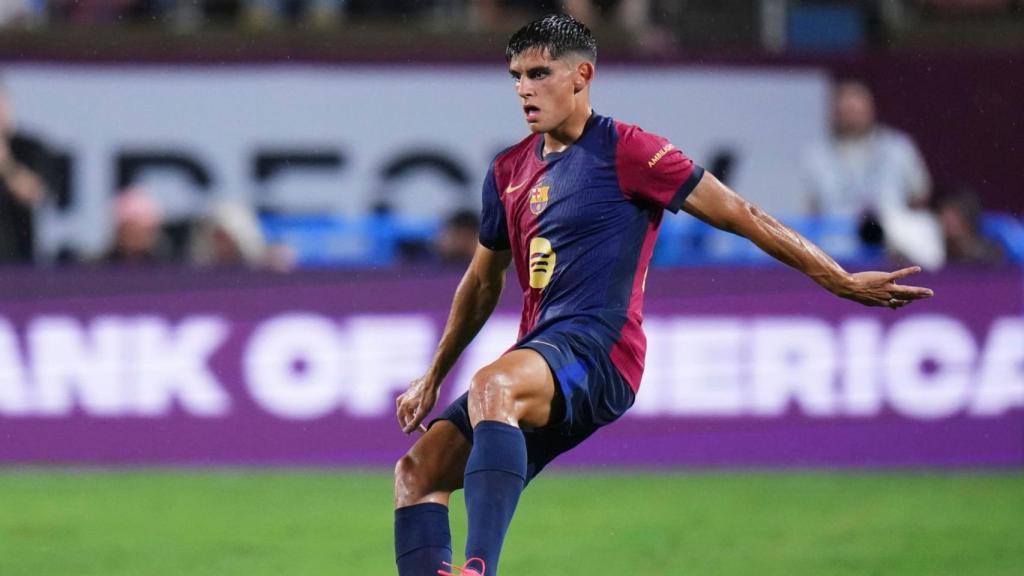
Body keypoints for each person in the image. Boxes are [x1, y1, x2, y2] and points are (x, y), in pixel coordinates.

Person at [392, 14, 933, 576]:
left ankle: (480, 569)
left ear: (582, 76)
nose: (524, 89)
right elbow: (482, 281)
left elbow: (741, 214)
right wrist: (433, 373)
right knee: (418, 473)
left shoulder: (628, 150)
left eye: (538, 73)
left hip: (600, 353)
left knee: (491, 385)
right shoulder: (508, 170)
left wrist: (837, 277)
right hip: (545, 354)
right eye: (515, 76)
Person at [802, 78, 942, 268]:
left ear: (871, 110)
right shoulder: (816, 154)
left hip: (892, 246)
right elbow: (811, 209)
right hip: (837, 249)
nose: (852, 116)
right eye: (846, 111)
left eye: (857, 110)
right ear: (835, 114)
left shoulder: (898, 147)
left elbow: (920, 195)